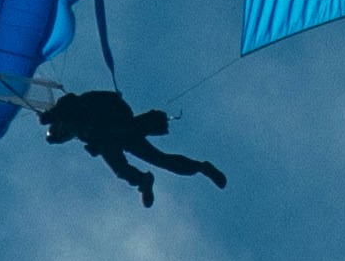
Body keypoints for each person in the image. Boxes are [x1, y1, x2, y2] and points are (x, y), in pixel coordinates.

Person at [37, 85, 225, 205]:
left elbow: (66, 106)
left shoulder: (70, 107)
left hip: (118, 126)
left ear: (60, 125)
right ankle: (144, 181)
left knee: (159, 159)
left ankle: (200, 167)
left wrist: (48, 117)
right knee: (124, 168)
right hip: (113, 137)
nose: (67, 135)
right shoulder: (79, 131)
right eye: (64, 137)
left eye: (62, 133)